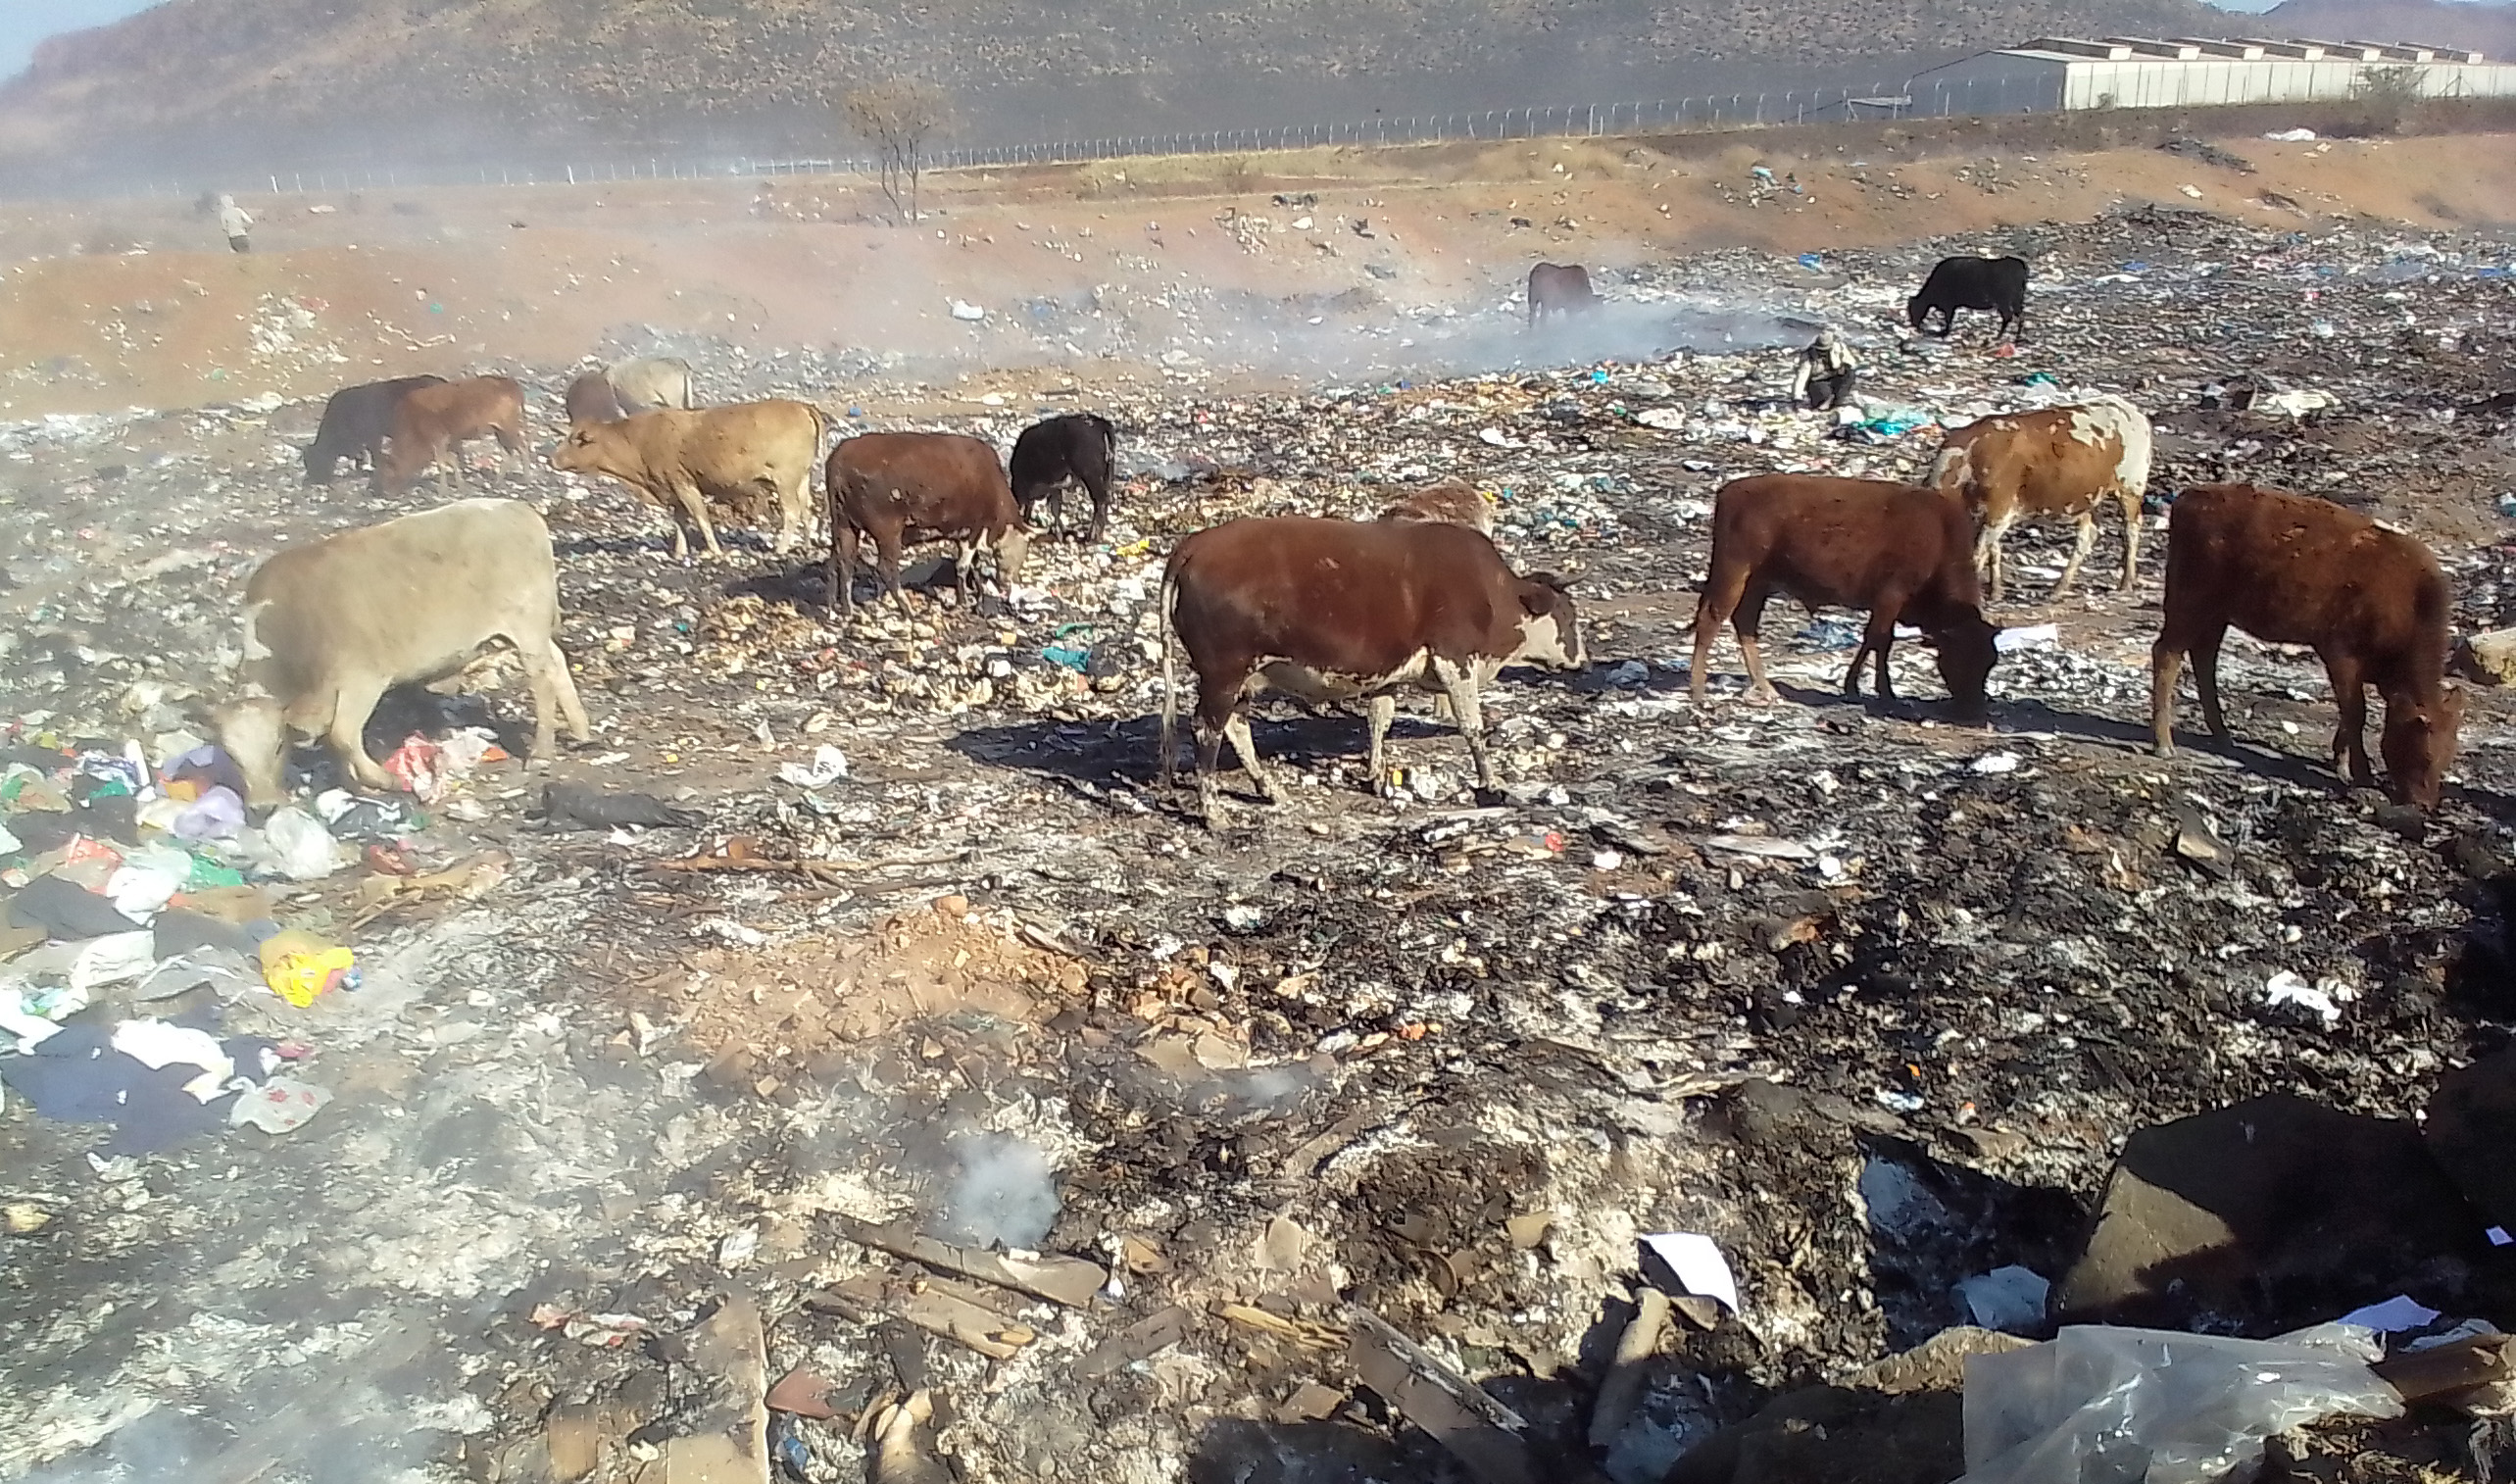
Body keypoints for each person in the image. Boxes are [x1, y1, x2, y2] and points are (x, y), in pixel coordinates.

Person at [1789, 327, 1858, 412]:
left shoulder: (1839, 348)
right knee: (1823, 396)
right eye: (1820, 350)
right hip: (1817, 381)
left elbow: (1851, 362)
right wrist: (1797, 398)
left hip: (1835, 377)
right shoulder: (1809, 356)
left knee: (1850, 374)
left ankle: (1838, 402)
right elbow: (1801, 377)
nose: (1822, 352)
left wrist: (1845, 366)